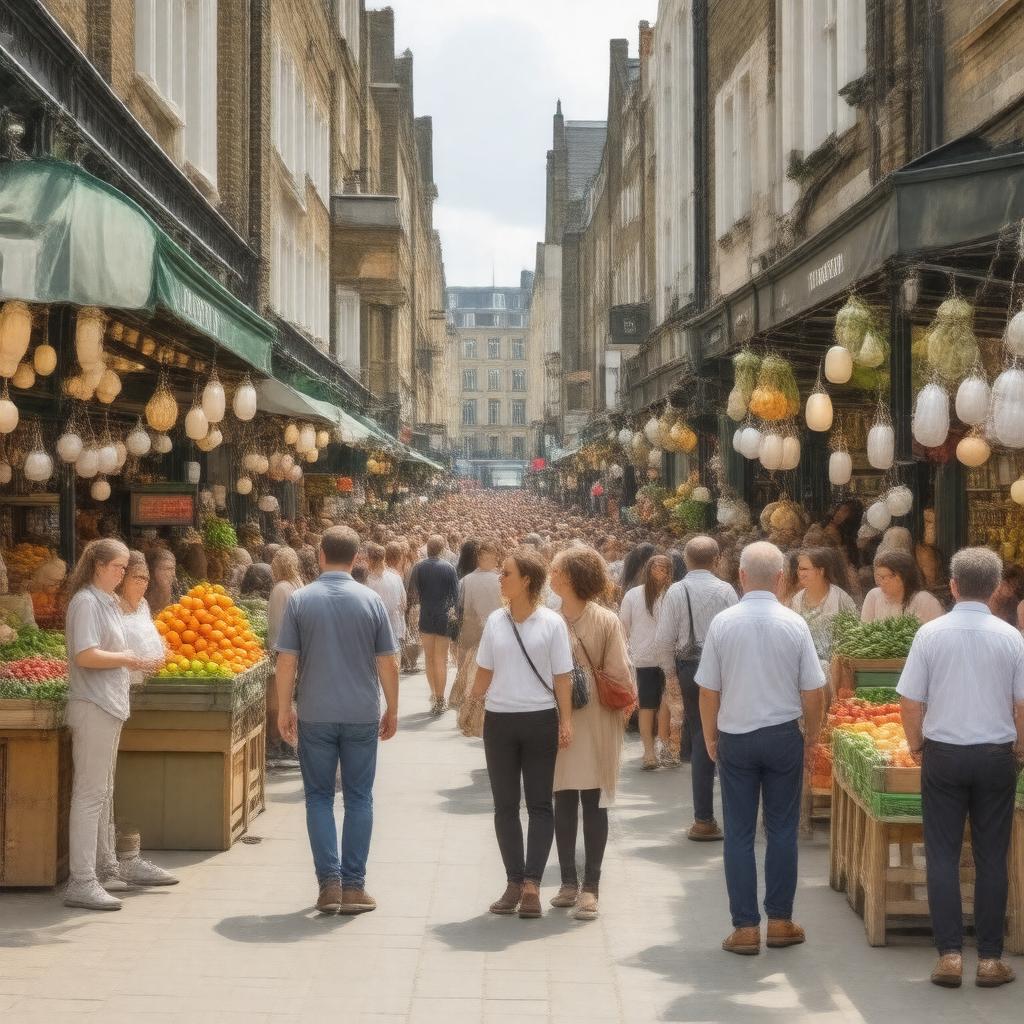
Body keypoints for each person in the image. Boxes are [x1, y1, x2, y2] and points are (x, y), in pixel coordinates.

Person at [897, 547, 1024, 989]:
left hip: (944, 755)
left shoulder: (930, 635)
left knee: (943, 854)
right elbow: (1022, 706)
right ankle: (989, 960)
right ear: (996, 589)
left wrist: (917, 746)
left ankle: (949, 956)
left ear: (952, 586)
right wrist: (1018, 749)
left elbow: (910, 702)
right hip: (995, 755)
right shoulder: (1012, 638)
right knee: (991, 856)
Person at [696, 541, 825, 955]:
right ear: (782, 579)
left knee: (738, 832)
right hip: (783, 736)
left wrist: (710, 736)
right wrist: (813, 736)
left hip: (736, 737)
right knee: (782, 829)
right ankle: (781, 921)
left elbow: (708, 691)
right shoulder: (795, 624)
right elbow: (813, 691)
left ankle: (746, 927)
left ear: (741, 576)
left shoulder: (723, 624)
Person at [274, 526, 400, 915]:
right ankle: (354, 886)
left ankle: (329, 884)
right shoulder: (371, 600)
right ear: (356, 557)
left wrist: (284, 707)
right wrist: (393, 708)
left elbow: (286, 661)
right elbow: (388, 662)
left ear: (321, 555)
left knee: (319, 797)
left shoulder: (300, 600)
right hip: (361, 712)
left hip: (316, 712)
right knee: (360, 797)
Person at [460, 548, 573, 919]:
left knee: (540, 805)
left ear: (526, 580)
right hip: (500, 720)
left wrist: (566, 721)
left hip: (540, 719)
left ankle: (532, 885)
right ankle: (513, 881)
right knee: (505, 805)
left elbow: (562, 676)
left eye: (506, 573)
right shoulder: (496, 620)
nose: (500, 578)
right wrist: (471, 703)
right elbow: (485, 670)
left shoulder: (552, 623)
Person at [63, 539, 166, 910]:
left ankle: (105, 868)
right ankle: (82, 880)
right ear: (98, 566)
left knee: (103, 792)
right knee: (90, 795)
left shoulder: (105, 601)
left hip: (109, 704)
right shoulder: (86, 602)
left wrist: (139, 658)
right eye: (119, 567)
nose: (123, 574)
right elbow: (86, 655)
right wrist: (128, 659)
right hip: (93, 703)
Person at [549, 548, 632, 921]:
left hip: (578, 714)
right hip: (583, 715)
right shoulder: (595, 619)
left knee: (577, 799)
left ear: (569, 577)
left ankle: (581, 884)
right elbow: (621, 672)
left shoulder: (579, 620)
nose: (551, 575)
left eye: (556, 570)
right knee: (577, 798)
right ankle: (579, 885)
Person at [655, 536, 738, 840]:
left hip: (690, 668)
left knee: (701, 735)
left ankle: (703, 819)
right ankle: (735, 816)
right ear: (716, 560)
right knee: (728, 733)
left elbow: (663, 639)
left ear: (686, 561)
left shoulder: (677, 591)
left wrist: (670, 675)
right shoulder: (726, 590)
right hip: (725, 668)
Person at [620, 554, 673, 770]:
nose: (660, 572)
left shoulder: (672, 594)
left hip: (664, 658)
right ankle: (651, 751)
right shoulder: (635, 595)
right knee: (650, 705)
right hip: (648, 658)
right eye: (656, 568)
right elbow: (623, 627)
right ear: (649, 569)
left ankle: (662, 748)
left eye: (664, 568)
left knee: (664, 705)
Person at [789, 547, 857, 685]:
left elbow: (854, 638)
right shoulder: (796, 600)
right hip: (804, 672)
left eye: (804, 569)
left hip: (837, 674)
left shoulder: (841, 599)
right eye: (799, 569)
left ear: (821, 571)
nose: (800, 573)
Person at [408, 535, 459, 715]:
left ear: (427, 548)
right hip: (443, 616)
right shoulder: (449, 568)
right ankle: (440, 697)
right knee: (441, 659)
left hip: (426, 614)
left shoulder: (418, 567)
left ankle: (434, 694)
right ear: (442, 549)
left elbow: (413, 593)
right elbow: (455, 597)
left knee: (429, 658)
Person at [449, 539, 503, 709]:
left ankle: (470, 707)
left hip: (471, 634)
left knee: (467, 674)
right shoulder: (501, 580)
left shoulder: (466, 581)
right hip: (496, 634)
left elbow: (459, 609)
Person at [117, 551, 166, 689]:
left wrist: (162, 645)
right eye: (138, 577)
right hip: (123, 683)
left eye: (146, 579)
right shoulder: (112, 605)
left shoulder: (143, 604)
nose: (143, 584)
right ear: (123, 578)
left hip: (149, 682)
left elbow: (148, 636)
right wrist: (141, 664)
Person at [861, 550, 943, 623]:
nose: (880, 583)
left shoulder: (925, 601)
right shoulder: (874, 596)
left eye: (883, 577)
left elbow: (937, 631)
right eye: (878, 577)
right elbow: (864, 630)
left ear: (902, 577)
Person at [365, 543, 407, 660]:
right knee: (394, 663)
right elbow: (404, 604)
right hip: (394, 627)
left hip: (374, 630)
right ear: (384, 558)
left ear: (369, 560)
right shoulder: (396, 578)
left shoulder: (366, 581)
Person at [144, 548, 179, 615]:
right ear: (152, 570)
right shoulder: (142, 591)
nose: (173, 574)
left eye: (173, 569)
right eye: (167, 569)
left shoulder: (172, 591)